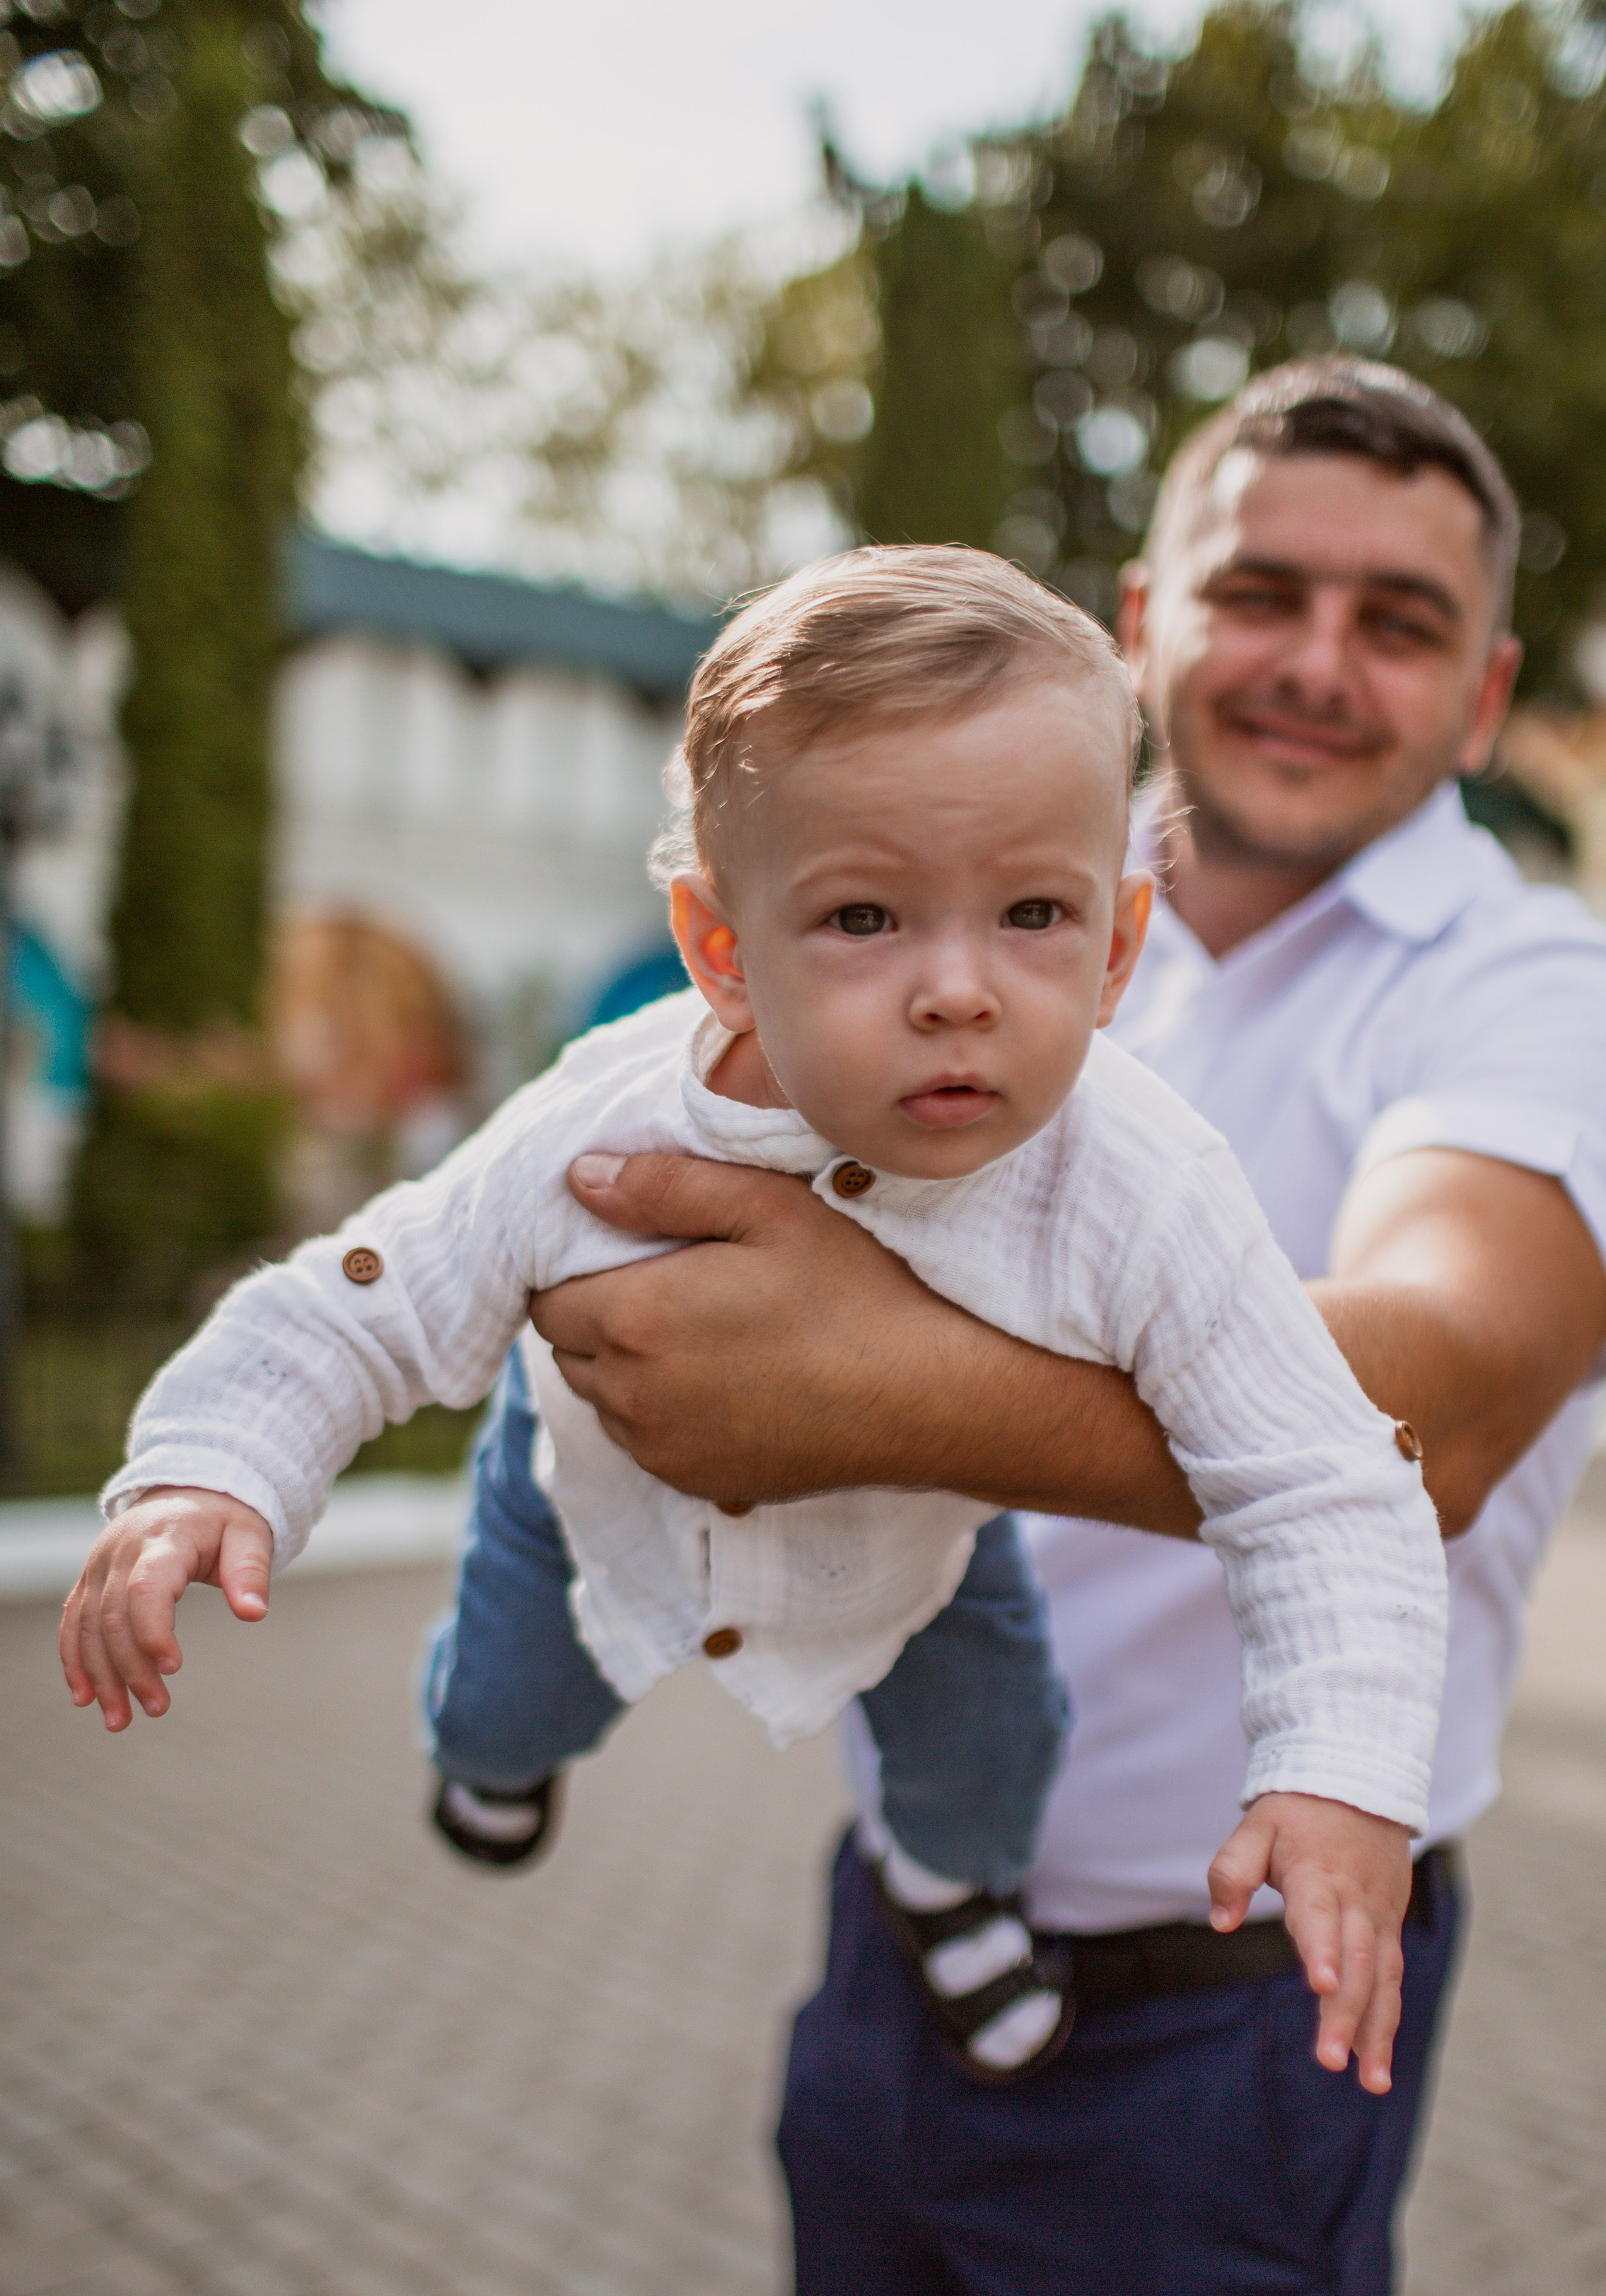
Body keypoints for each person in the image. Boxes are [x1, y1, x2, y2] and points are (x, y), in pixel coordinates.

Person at [518, 362, 1606, 2296]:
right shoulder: (985, 926)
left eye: (1397, 621)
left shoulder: (1545, 989)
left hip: (1237, 2026)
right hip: (896, 1951)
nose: (1313, 659)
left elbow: (1439, 1401)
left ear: (1479, 699)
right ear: (1150, 615)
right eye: (1263, 590)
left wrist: (860, 1378)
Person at [60, 543, 1447, 2085]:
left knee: (997, 1752)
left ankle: (947, 1888)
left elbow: (1322, 1474)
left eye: (1033, 915)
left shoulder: (1142, 1185)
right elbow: (366, 1300)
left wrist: (1340, 1772)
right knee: (512, 1710)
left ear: (1119, 946)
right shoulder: (602, 1126)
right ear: (722, 949)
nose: (956, 991)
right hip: (594, 1490)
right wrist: (210, 1468)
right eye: (864, 919)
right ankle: (486, 1764)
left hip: (919, 1521)